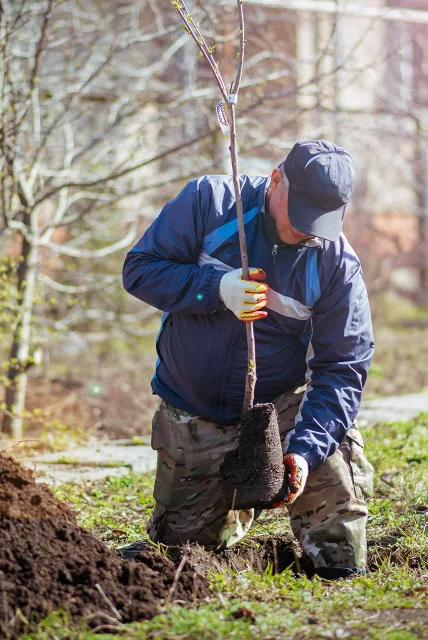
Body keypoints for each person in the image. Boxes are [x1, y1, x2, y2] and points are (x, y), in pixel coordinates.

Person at [122, 140, 375, 580]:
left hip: (275, 411)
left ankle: (335, 563)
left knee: (331, 447)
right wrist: (215, 288)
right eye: (300, 217)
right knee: (184, 553)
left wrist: (302, 453)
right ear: (276, 180)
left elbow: (342, 369)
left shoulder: (335, 263)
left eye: (320, 222)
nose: (306, 231)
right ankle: (227, 515)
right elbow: (139, 270)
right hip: (194, 413)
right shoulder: (209, 202)